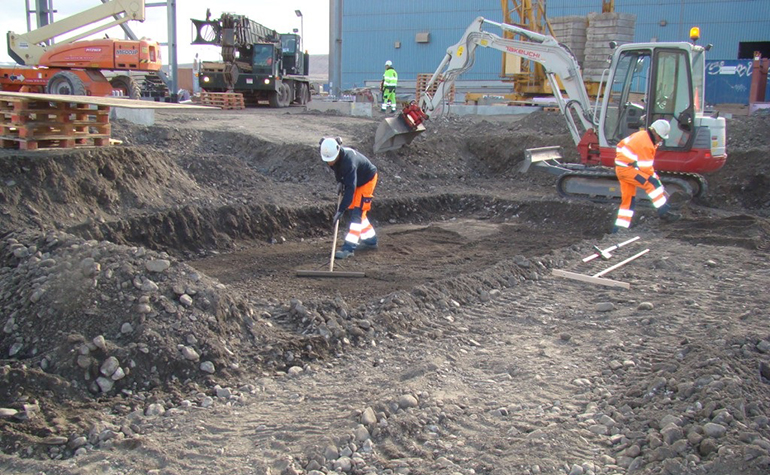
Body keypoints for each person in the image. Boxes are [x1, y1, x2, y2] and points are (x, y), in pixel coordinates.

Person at [612, 119, 681, 233]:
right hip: (628, 170)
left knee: (628, 200)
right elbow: (646, 169)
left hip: (623, 168)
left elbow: (621, 146)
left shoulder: (642, 135)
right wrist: (658, 183)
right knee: (651, 184)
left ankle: (618, 229)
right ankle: (663, 212)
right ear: (654, 132)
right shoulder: (646, 144)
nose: (660, 141)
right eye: (660, 137)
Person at [319, 137, 379, 259]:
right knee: (355, 211)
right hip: (356, 180)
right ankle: (371, 241)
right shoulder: (333, 157)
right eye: (327, 161)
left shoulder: (349, 162)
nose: (329, 163)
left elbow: (351, 189)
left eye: (331, 160)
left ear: (338, 152)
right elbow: (338, 171)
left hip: (366, 180)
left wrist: (340, 210)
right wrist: (340, 182)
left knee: (357, 213)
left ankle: (348, 248)